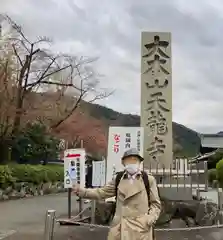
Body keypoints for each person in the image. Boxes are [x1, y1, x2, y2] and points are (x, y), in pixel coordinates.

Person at [73, 148, 161, 240]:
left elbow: (156, 204)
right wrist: (82, 192)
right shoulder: (118, 179)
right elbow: (102, 192)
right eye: (128, 160)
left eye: (134, 160)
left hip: (141, 228)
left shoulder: (148, 179)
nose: (132, 163)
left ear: (139, 162)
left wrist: (149, 219)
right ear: (123, 163)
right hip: (119, 228)